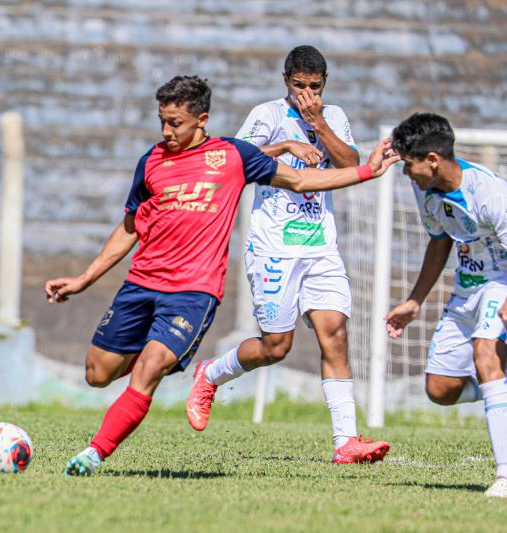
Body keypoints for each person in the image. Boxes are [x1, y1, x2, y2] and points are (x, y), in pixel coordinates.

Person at [45, 75, 399, 476]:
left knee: (149, 370)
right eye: (162, 120)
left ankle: (93, 454)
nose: (166, 131)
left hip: (193, 293)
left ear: (202, 119)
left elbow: (301, 180)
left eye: (175, 122)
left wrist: (368, 172)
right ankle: (161, 361)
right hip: (141, 283)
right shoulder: (151, 161)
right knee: (97, 374)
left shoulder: (231, 156)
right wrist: (84, 278)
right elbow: (130, 226)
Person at [185, 45, 388, 464]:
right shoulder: (268, 115)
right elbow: (233, 161)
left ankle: (345, 441)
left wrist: (318, 126)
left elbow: (350, 164)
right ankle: (211, 374)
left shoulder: (333, 117)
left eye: (315, 87)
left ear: (325, 84)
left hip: (319, 247)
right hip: (274, 248)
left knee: (335, 334)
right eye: (299, 87)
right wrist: (288, 144)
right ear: (286, 81)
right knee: (276, 347)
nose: (307, 95)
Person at [383, 112, 507, 497]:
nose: (406, 173)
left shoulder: (490, 192)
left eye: (409, 165)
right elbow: (440, 242)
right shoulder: (427, 191)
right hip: (468, 289)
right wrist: (415, 301)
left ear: (432, 160)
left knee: (486, 353)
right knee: (440, 389)